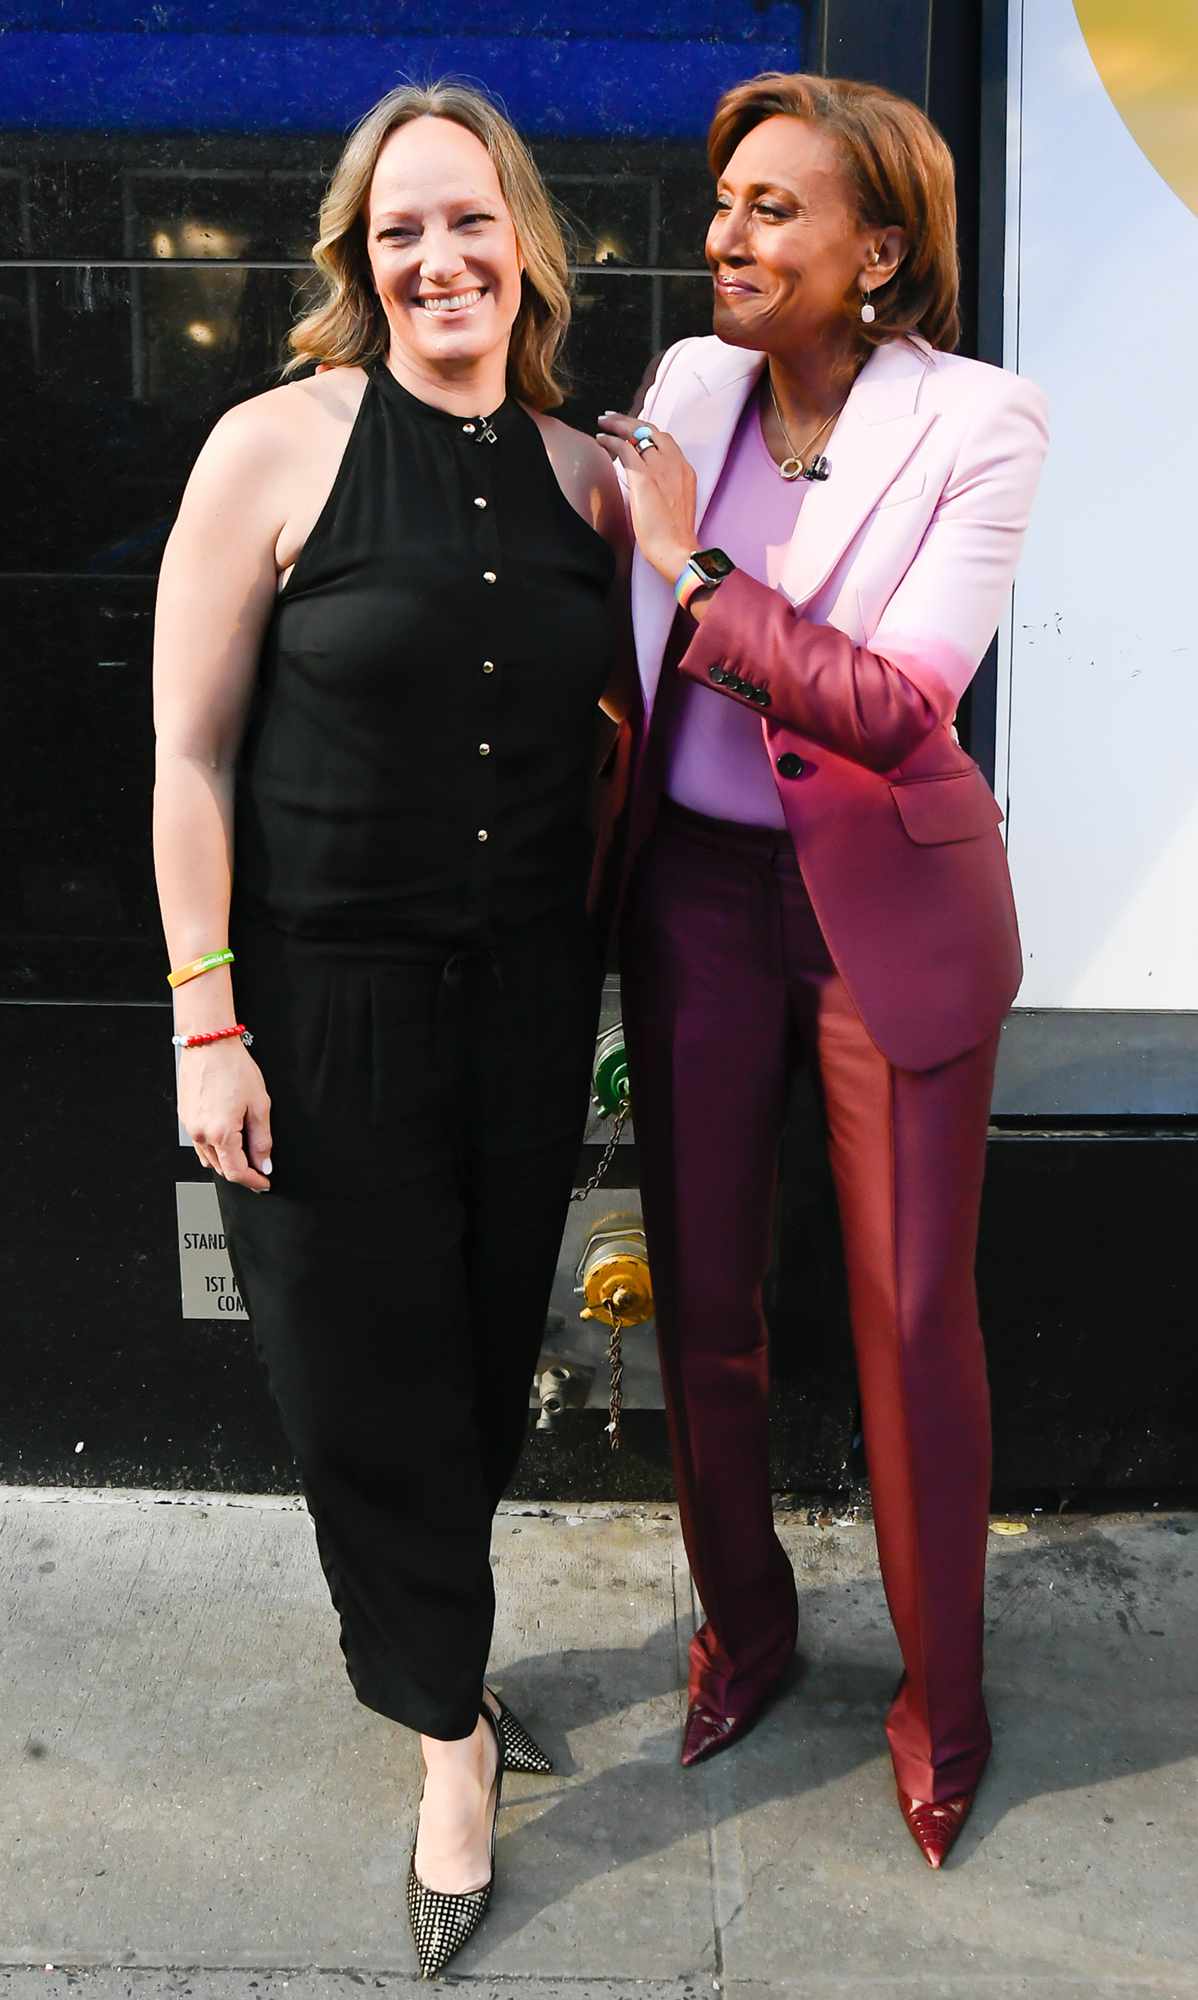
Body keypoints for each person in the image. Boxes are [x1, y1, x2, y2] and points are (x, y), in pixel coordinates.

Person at [153, 81, 626, 1972]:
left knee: (476, 1369)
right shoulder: (274, 445)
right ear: (359, 261)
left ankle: (443, 1660)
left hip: (520, 1004)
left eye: (468, 218)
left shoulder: (596, 473)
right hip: (318, 1006)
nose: (438, 257)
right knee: (357, 1392)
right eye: (398, 230)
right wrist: (208, 1023)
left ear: (527, 238)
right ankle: (447, 1746)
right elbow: (187, 756)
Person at [598, 70, 1048, 1869]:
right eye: (725, 200)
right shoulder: (690, 391)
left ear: (879, 249)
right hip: (694, 900)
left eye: (774, 208)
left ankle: (944, 1700)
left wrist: (688, 574)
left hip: (890, 925)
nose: (728, 232)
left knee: (910, 1325)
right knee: (704, 1308)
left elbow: (891, 704)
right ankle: (746, 1629)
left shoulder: (983, 422)